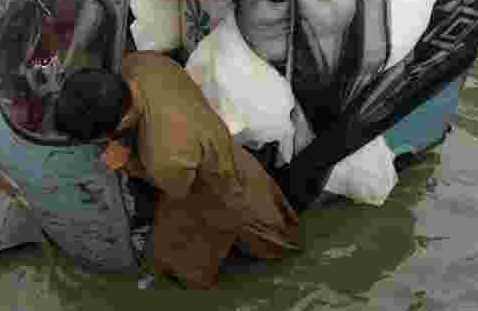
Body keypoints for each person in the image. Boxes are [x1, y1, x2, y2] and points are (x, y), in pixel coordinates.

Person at [53, 53, 301, 289]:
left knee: (268, 251)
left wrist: (126, 164)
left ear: (118, 124)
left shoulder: (165, 157)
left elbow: (177, 187)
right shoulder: (141, 64)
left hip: (218, 194)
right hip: (222, 149)